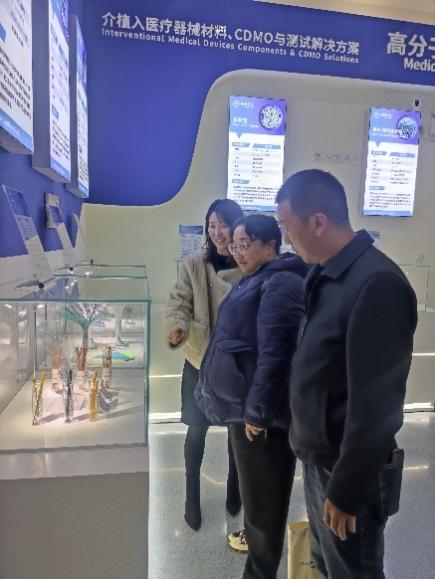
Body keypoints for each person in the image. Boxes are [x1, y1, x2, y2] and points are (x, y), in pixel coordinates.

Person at [276, 169, 418, 579]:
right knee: (327, 564)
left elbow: (377, 406)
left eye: (287, 226)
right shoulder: (327, 273)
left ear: (318, 222)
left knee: (353, 571)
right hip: (319, 458)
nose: (286, 238)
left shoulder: (377, 284)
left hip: (346, 469)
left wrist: (346, 490)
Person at [196, 215, 307, 578]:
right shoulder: (258, 277)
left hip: (261, 419)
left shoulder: (282, 282)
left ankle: (259, 572)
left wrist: (257, 414)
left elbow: (277, 354)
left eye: (245, 244)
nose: (237, 252)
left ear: (271, 244)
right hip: (245, 410)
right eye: (235, 245)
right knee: (257, 504)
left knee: (263, 510)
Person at [165, 198, 244, 531]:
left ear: (237, 226)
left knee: (236, 433)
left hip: (236, 366)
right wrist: (178, 326)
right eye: (212, 225)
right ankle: (191, 497)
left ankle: (235, 492)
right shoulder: (193, 264)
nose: (217, 232)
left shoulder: (248, 264)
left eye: (224, 224)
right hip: (199, 360)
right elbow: (178, 302)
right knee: (196, 429)